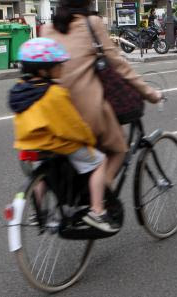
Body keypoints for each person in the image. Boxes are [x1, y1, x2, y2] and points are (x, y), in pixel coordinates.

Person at [43, 0, 162, 193]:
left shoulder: (47, 28)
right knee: (119, 149)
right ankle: (101, 203)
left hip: (50, 109)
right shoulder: (92, 24)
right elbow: (119, 65)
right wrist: (149, 93)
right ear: (85, 0)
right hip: (84, 109)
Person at [8, 38, 118, 233]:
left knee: (41, 173)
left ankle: (38, 212)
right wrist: (89, 139)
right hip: (57, 144)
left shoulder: (19, 90)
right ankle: (97, 211)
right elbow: (71, 126)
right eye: (57, 65)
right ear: (44, 70)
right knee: (99, 162)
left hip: (29, 145)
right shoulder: (54, 93)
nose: (61, 68)